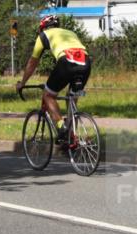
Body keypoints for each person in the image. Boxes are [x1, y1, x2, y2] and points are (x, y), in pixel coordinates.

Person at [15, 15, 91, 143]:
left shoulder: (43, 35)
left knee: (48, 95)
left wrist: (22, 83)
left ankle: (62, 126)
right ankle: (70, 135)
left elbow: (33, 62)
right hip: (85, 62)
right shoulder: (70, 33)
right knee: (72, 98)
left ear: (43, 28)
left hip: (66, 62)